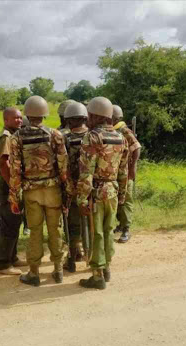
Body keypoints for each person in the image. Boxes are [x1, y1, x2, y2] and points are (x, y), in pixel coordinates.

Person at [9, 96, 73, 286]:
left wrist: (14, 196)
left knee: (35, 230)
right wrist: (66, 191)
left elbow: (15, 170)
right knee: (55, 229)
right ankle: (58, 270)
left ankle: (34, 272)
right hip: (53, 190)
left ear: (27, 113)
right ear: (44, 114)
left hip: (31, 191)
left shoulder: (17, 137)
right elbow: (63, 166)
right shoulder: (55, 135)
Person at [76, 97, 129, 290]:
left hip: (96, 192)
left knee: (96, 231)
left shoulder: (92, 137)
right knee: (108, 230)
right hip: (113, 190)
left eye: (89, 115)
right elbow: (124, 170)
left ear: (96, 116)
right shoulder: (120, 137)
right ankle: (107, 267)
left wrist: (82, 198)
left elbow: (86, 171)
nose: (87, 118)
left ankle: (97, 275)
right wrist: (122, 193)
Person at [0, 107, 27, 275]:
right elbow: (3, 164)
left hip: (11, 184)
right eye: (16, 118)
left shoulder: (12, 135)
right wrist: (13, 186)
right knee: (9, 224)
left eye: (21, 118)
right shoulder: (6, 137)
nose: (19, 121)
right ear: (6, 120)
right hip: (7, 185)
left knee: (15, 222)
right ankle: (3, 263)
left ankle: (12, 257)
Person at [62, 102, 89, 272]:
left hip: (71, 189)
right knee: (92, 224)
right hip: (90, 188)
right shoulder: (93, 137)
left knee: (72, 226)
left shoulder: (65, 139)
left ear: (69, 121)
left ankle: (72, 259)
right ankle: (91, 258)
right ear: (85, 118)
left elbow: (61, 166)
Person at [112, 105, 141, 243]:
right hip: (114, 172)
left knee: (126, 200)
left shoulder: (123, 130)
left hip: (125, 172)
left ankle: (126, 229)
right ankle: (121, 224)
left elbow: (136, 147)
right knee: (117, 200)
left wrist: (133, 167)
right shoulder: (112, 130)